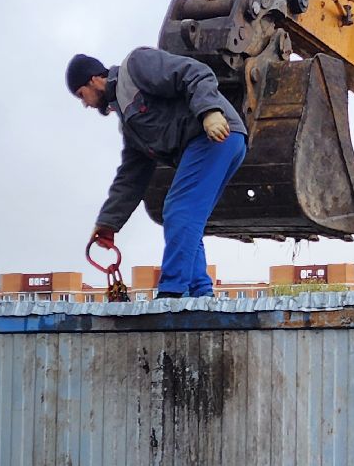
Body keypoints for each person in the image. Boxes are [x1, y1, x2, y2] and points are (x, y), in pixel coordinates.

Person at [66, 49, 248, 298]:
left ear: (93, 79)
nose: (85, 104)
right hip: (217, 143)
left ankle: (172, 294)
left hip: (214, 134)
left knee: (178, 209)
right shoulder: (130, 123)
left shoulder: (136, 66)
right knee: (187, 218)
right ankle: (199, 294)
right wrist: (108, 223)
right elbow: (131, 177)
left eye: (81, 95)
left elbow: (194, 72)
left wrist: (210, 111)